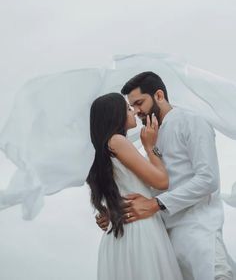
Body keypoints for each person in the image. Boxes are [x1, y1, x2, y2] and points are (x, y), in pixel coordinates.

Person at [97, 72, 234, 280]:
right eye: (131, 107)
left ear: (159, 95)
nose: (136, 111)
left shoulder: (192, 121)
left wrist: (156, 204)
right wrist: (114, 211)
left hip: (199, 234)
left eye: (139, 103)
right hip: (165, 243)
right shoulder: (150, 141)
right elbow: (145, 189)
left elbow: (208, 179)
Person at [87, 92, 183, 280]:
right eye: (128, 109)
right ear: (117, 115)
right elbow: (162, 182)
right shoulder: (117, 141)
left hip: (120, 233)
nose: (133, 112)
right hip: (138, 228)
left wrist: (108, 211)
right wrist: (151, 147)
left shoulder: (102, 150)